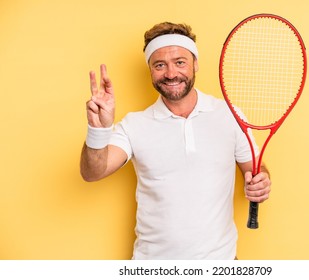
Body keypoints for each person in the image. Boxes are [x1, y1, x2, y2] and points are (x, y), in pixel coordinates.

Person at [80, 22, 271, 260]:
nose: (171, 74)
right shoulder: (134, 125)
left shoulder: (230, 115)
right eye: (160, 65)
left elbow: (255, 169)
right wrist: (98, 129)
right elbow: (92, 172)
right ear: (150, 69)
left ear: (195, 64)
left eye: (180, 62)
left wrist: (261, 181)